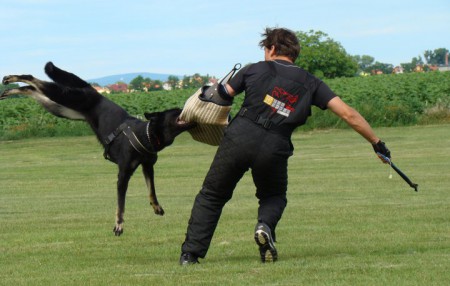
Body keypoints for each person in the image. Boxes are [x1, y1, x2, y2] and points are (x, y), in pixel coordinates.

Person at [179, 27, 391, 265]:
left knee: (212, 195)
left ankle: (190, 255)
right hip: (276, 143)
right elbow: (348, 114)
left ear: (271, 49)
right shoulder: (312, 83)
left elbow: (221, 95)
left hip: (239, 137)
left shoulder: (253, 69)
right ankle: (264, 226)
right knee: (274, 195)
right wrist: (376, 143)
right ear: (294, 53)